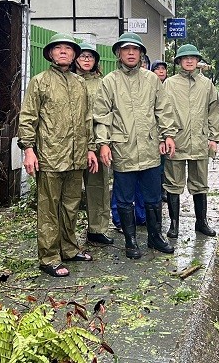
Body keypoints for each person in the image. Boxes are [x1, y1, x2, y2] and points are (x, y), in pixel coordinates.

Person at [18, 33, 99, 277]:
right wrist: (29, 150)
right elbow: (28, 117)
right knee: (48, 208)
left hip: (76, 157)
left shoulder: (80, 83)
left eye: (68, 48)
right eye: (58, 48)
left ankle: (70, 248)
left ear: (74, 55)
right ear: (51, 54)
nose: (63, 51)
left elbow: (87, 119)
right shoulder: (40, 81)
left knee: (71, 206)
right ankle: (49, 256)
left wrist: (90, 149)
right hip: (50, 156)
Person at [93, 32, 178, 259]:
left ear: (141, 54)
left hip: (150, 148)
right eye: (126, 49)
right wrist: (103, 144)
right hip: (123, 149)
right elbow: (102, 115)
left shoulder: (151, 80)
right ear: (119, 54)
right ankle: (130, 241)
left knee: (152, 197)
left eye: (135, 49)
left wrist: (167, 135)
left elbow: (163, 109)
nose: (131, 53)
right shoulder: (110, 81)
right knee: (124, 198)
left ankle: (155, 236)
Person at [163, 44, 219, 238]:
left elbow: (214, 112)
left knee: (200, 183)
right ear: (179, 61)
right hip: (176, 141)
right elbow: (162, 111)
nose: (189, 61)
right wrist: (164, 136)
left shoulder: (207, 85)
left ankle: (201, 221)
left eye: (193, 57)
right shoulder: (169, 84)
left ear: (198, 61)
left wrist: (214, 138)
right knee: (173, 183)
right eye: (185, 57)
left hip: (199, 140)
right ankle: (174, 224)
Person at [71, 42, 113, 246]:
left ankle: (97, 229)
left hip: (96, 142)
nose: (87, 59)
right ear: (75, 58)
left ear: (96, 61)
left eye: (91, 56)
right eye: (83, 55)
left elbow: (106, 114)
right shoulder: (67, 80)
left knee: (98, 187)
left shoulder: (102, 83)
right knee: (69, 190)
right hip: (70, 143)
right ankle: (66, 234)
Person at [150, 59, 169, 202]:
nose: (161, 71)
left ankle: (163, 190)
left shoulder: (169, 87)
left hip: (166, 131)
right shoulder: (149, 86)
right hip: (152, 133)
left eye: (163, 68)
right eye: (158, 68)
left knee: (165, 164)